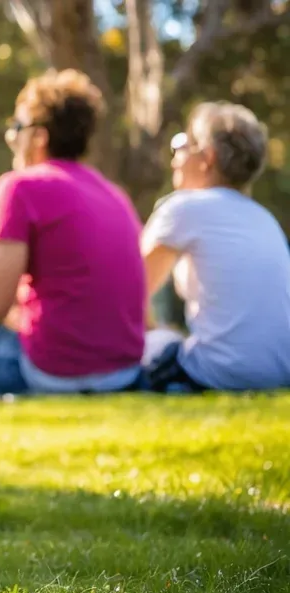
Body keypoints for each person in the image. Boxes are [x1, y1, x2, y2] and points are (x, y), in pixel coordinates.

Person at [0, 70, 146, 395]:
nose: (10, 138)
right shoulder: (116, 195)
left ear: (39, 137)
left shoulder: (19, 187)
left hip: (51, 374)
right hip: (123, 373)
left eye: (17, 127)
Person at [140, 102, 290, 391]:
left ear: (206, 156)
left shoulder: (183, 208)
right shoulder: (265, 218)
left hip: (221, 374)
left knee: (155, 344)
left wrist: (157, 329)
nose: (175, 159)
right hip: (281, 373)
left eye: (182, 145)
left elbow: (130, 292)